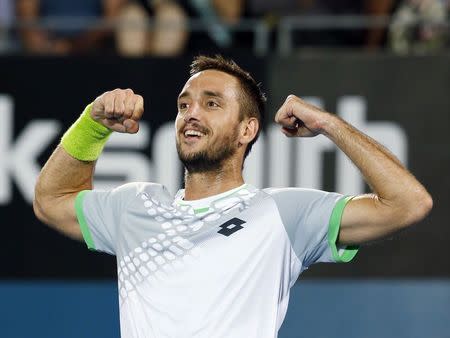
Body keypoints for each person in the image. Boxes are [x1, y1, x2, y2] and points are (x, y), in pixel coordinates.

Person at [34, 55, 432, 338]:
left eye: (212, 104)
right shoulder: (135, 206)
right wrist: (93, 125)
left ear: (247, 130)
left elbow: (408, 203)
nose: (191, 113)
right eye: (184, 104)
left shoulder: (282, 213)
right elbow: (51, 200)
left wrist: (329, 124)